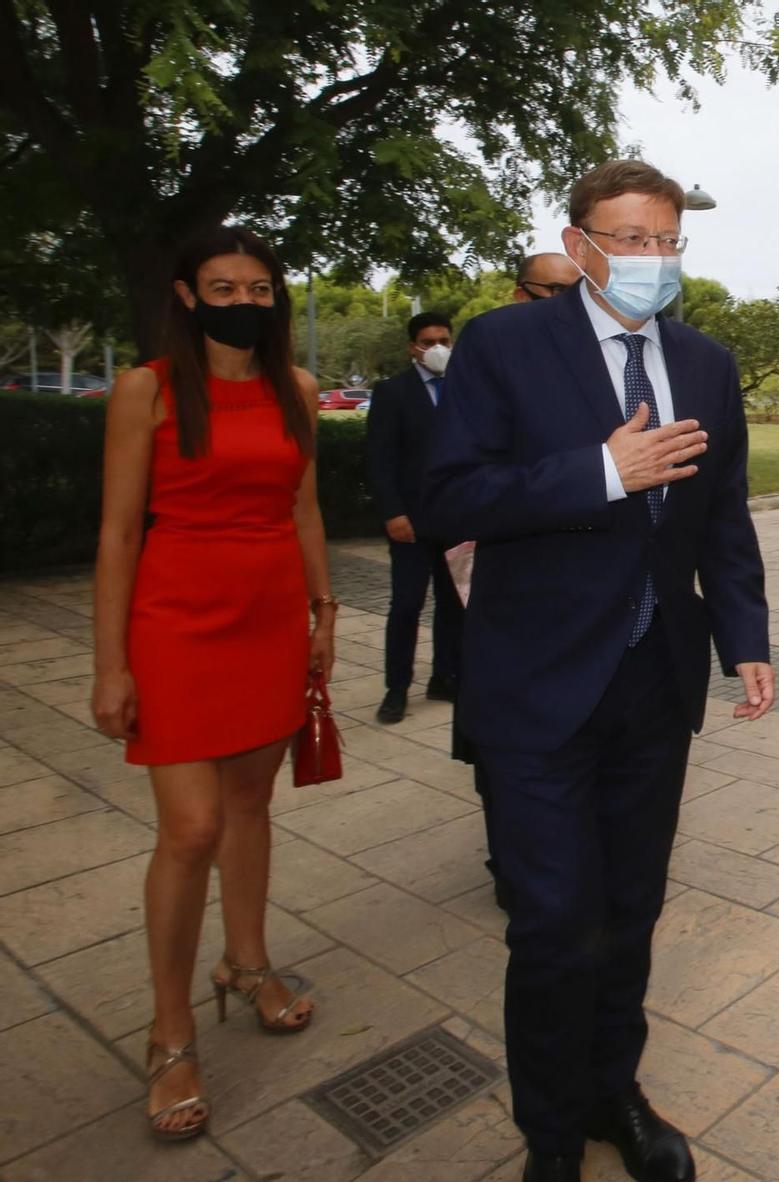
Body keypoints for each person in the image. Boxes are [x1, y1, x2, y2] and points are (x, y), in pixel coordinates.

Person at [424, 159, 773, 1182]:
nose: (648, 257)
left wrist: (743, 635)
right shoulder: (503, 344)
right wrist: (598, 473)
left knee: (628, 916)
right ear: (578, 245)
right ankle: (547, 1135)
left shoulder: (704, 363)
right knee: (552, 929)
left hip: (654, 686)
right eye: (627, 238)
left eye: (665, 239)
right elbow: (447, 498)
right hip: (536, 689)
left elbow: (725, 513)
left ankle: (612, 1090)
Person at [91, 226, 331, 1141]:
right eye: (222, 287)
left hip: (271, 619)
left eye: (259, 287)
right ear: (188, 296)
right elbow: (117, 535)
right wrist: (110, 662)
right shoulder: (143, 389)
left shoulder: (298, 391)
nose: (243, 302)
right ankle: (170, 1031)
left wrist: (323, 619)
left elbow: (305, 509)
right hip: (176, 622)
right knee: (189, 829)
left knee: (250, 807)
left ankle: (247, 962)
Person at [365, 311, 464, 723]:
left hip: (457, 518)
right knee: (406, 604)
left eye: (443, 339)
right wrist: (392, 512)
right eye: (428, 342)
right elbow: (379, 458)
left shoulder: (464, 388)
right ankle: (396, 688)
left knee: (453, 605)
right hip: (410, 522)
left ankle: (446, 676)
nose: (437, 348)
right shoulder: (392, 392)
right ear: (413, 347)